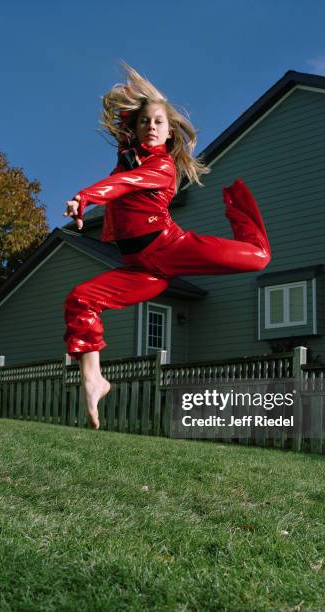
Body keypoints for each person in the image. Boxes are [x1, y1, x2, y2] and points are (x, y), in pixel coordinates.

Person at [63, 63, 271, 429]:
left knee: (258, 258)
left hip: (168, 246)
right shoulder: (128, 157)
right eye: (145, 122)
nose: (152, 127)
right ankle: (94, 378)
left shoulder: (160, 167)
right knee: (81, 298)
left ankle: (238, 206)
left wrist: (85, 197)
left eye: (159, 122)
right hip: (143, 269)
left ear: (169, 130)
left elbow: (124, 185)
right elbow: (125, 166)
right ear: (135, 126)